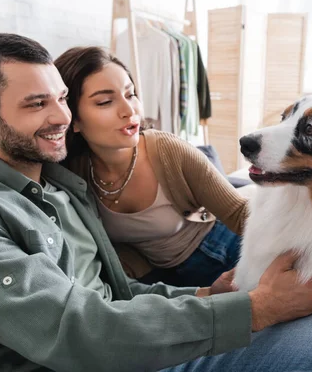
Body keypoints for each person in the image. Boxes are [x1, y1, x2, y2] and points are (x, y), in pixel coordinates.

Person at [0, 32, 312, 372]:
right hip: (92, 359)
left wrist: (212, 297)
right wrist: (253, 310)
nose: (58, 115)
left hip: (168, 295)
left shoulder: (61, 187)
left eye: (60, 97)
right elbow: (73, 327)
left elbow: (114, 293)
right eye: (37, 104)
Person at [54, 46, 245, 287]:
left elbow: (240, 214)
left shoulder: (168, 150)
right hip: (173, 281)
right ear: (73, 118)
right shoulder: (73, 174)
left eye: (130, 94)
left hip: (225, 250)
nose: (128, 110)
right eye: (105, 102)